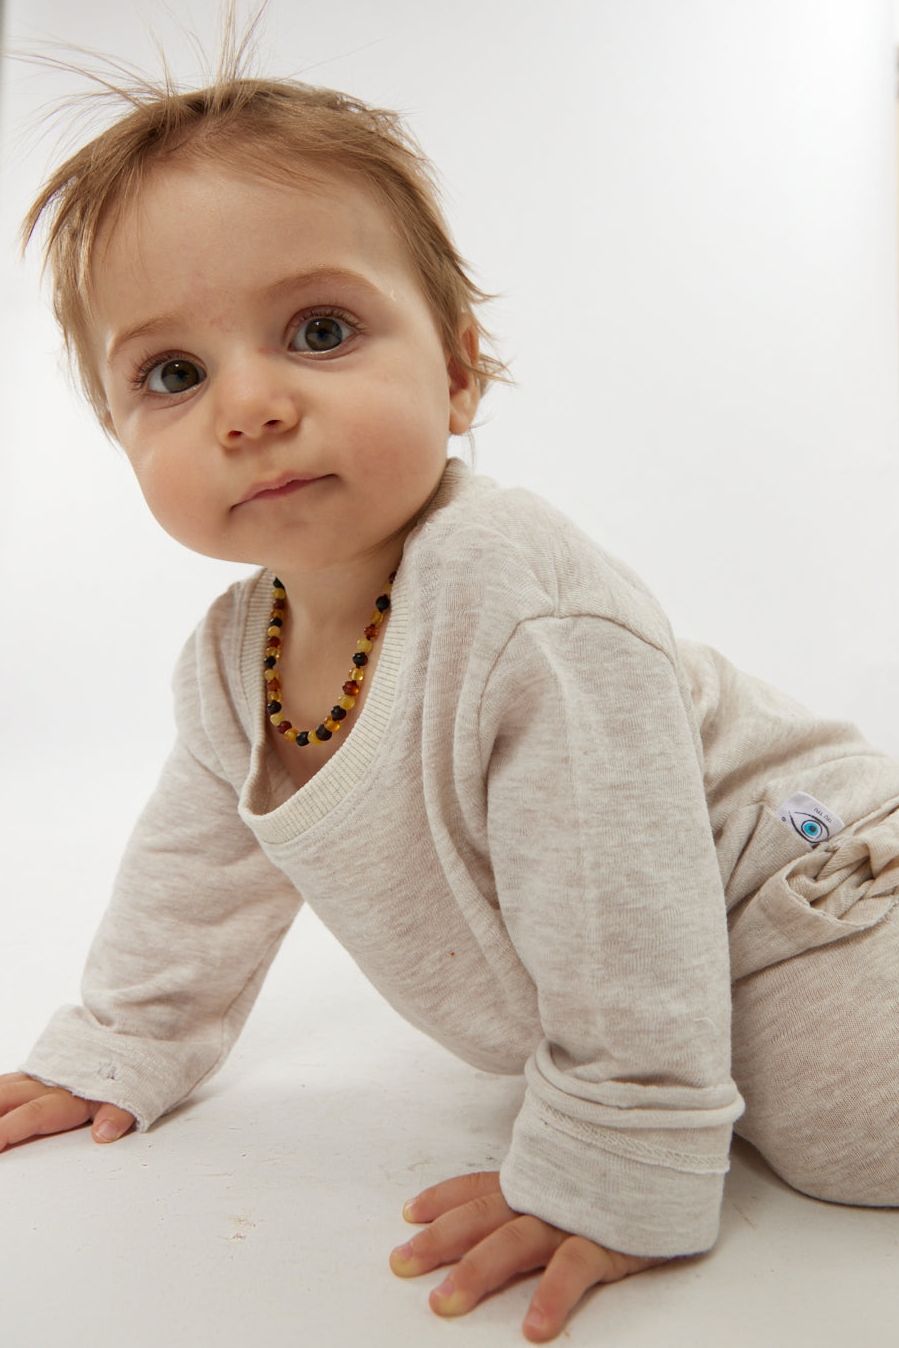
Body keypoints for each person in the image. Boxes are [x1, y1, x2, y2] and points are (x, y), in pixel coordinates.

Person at [3, 31, 899, 1347]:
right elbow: (193, 877)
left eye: (320, 331)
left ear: (459, 370)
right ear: (119, 434)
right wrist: (120, 1041)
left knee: (854, 1124)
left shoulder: (508, 588)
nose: (249, 405)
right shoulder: (233, 655)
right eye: (172, 375)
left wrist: (618, 1151)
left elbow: (619, 887)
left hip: (806, 889)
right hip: (679, 958)